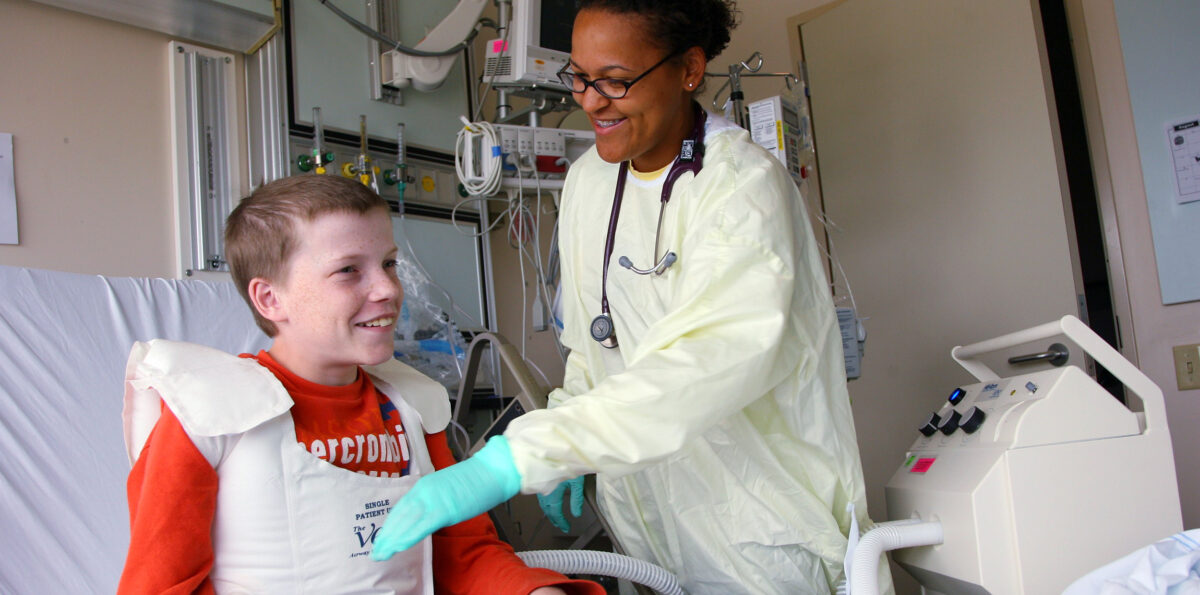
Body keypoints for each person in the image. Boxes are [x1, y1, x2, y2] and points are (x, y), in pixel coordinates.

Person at [373, 1, 894, 593]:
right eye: (580, 77)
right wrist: (566, 421)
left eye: (616, 81)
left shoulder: (742, 189)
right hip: (647, 527)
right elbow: (595, 346)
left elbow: (705, 363)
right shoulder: (588, 182)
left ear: (689, 69)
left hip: (758, 533)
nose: (592, 101)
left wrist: (526, 455)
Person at [119, 175, 602, 595]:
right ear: (270, 298)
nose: (389, 289)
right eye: (349, 270)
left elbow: (462, 554)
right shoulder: (209, 418)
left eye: (389, 264)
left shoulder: (413, 406)